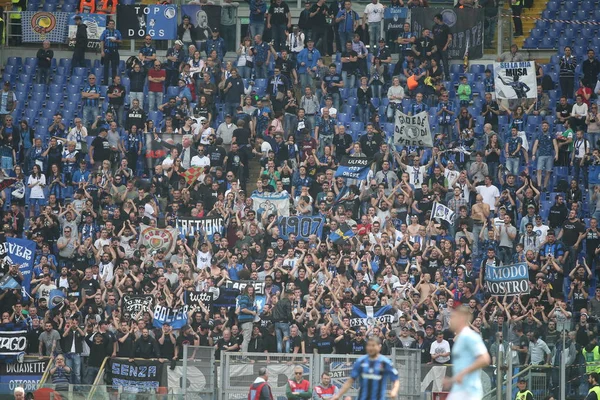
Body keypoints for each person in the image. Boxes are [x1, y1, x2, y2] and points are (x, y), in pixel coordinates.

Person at [330, 336, 400, 400]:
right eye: (369, 345)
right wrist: (338, 395)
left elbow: (396, 380)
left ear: (379, 347)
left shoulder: (385, 362)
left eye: (373, 345)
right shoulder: (361, 361)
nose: (370, 348)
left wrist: (394, 391)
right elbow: (350, 381)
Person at [444, 306, 491, 400]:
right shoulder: (460, 338)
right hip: (459, 389)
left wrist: (463, 373)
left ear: (462, 318)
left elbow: (485, 359)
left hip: (469, 391)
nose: (450, 320)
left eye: (453, 317)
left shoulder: (470, 336)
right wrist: (451, 380)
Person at [99, 19, 122, 86]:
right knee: (106, 67)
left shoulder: (117, 32)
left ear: (114, 25)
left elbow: (121, 41)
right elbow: (102, 41)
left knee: (114, 68)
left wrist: (115, 41)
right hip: (107, 51)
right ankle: (105, 83)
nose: (111, 25)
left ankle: (114, 83)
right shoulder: (105, 32)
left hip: (114, 50)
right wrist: (102, 51)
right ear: (108, 25)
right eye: (110, 24)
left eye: (113, 24)